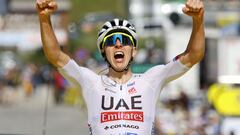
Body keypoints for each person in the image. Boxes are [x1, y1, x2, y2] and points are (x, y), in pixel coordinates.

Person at [36, 0, 205, 134]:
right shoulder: (91, 82)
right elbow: (55, 56)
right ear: (103, 51)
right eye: (110, 41)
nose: (118, 45)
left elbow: (193, 56)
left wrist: (198, 20)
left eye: (125, 41)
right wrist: (44, 18)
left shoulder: (150, 79)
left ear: (133, 51)